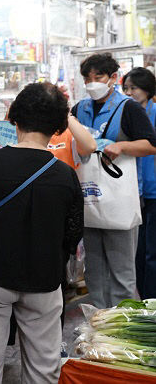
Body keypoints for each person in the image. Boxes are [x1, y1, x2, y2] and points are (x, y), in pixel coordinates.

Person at [0, 82, 83, 384]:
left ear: (13, 117)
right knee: (43, 365)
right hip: (44, 279)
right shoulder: (65, 175)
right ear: (59, 126)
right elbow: (72, 235)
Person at [71, 53, 156, 309]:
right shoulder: (78, 110)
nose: (92, 83)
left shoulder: (128, 108)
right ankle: (97, 323)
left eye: (99, 77)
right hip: (89, 197)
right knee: (94, 270)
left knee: (122, 270)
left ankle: (124, 325)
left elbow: (151, 144)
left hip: (120, 199)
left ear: (113, 78)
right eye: (88, 78)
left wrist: (122, 145)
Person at [123, 67, 156, 300]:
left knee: (151, 252)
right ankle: (144, 298)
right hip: (132, 191)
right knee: (137, 252)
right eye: (126, 88)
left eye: (134, 88)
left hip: (154, 192)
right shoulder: (127, 114)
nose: (130, 92)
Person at [47, 85, 97, 169]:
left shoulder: (69, 133)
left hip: (65, 180)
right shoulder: (27, 132)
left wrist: (66, 115)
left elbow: (90, 147)